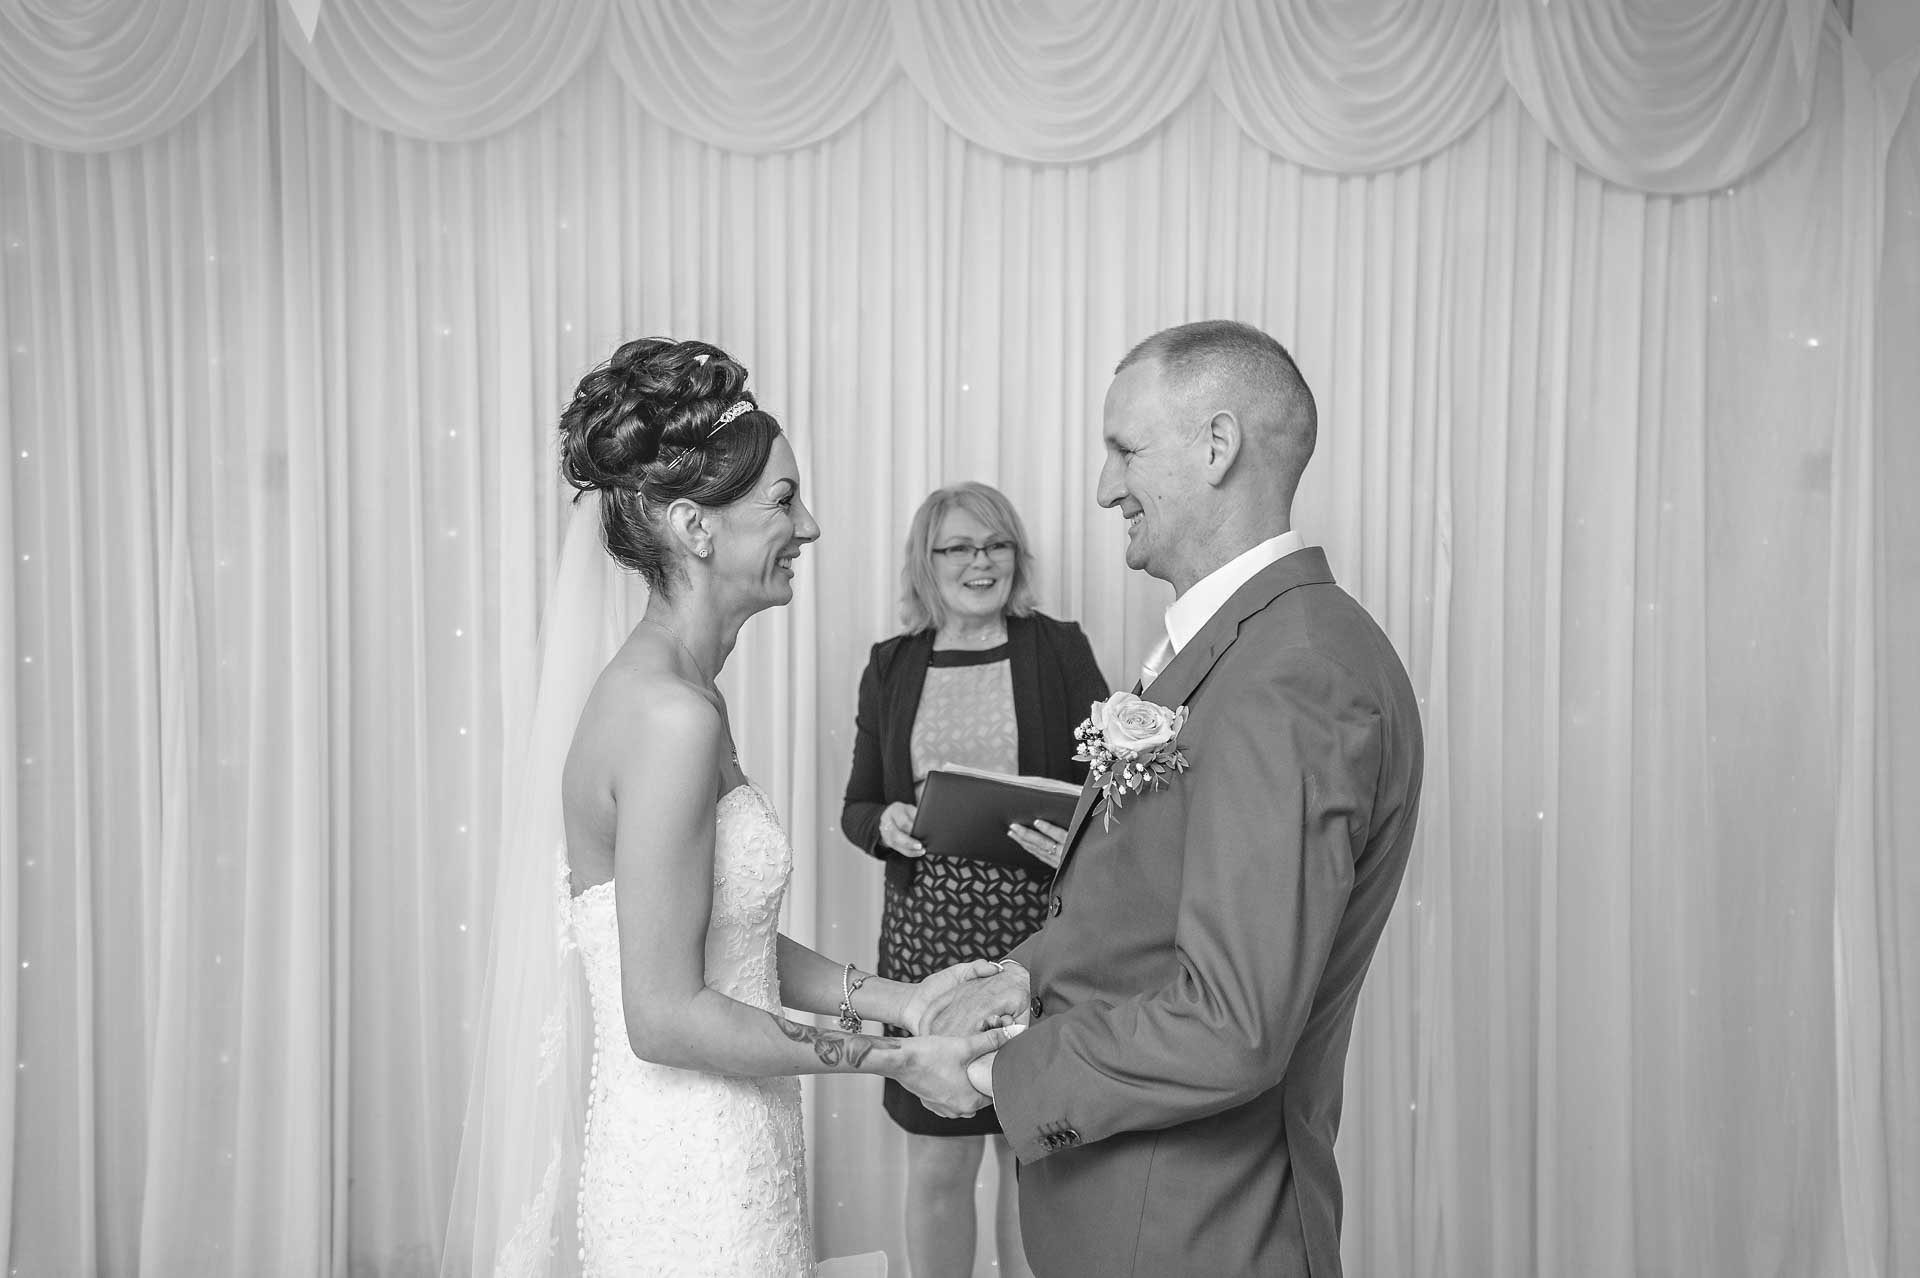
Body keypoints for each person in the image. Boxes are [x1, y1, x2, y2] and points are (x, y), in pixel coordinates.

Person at [441, 338, 1014, 1278]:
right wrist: (898, 1061)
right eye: (785, 500)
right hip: (692, 1175)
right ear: (694, 527)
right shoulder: (669, 717)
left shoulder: (679, 692)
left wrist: (901, 1003)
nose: (813, 527)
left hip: (728, 1139)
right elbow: (663, 1018)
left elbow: (719, 939)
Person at [928, 320, 1425, 1276]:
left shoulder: (1296, 673)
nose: (1105, 486)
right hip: (1141, 1220)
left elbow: (1234, 1025)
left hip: (1198, 1232)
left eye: (1124, 449)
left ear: (1217, 446)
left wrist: (1003, 1072)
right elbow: (1154, 901)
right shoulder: (1245, 646)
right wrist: (1026, 972)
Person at [840, 482, 1108, 1278]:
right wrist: (883, 823)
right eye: (958, 547)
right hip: (928, 952)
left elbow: (1114, 792)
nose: (979, 562)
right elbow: (857, 805)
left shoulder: (1057, 648)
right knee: (939, 1165)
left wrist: (1072, 832)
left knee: (1036, 1159)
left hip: (1040, 943)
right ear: (927, 562)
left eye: (995, 545)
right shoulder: (892, 665)